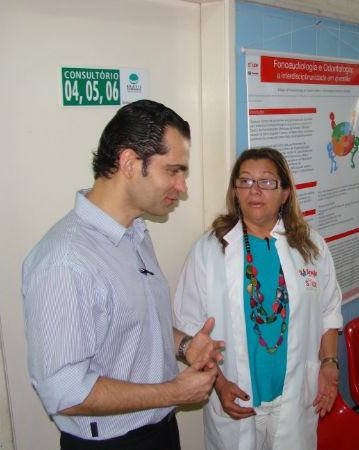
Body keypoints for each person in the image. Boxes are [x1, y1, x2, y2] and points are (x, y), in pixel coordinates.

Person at [22, 99, 223, 450]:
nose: (182, 187)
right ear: (129, 163)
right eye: (173, 171)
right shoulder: (65, 261)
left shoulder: (135, 232)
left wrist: (185, 345)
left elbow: (133, 326)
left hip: (161, 430)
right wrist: (174, 391)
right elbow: (64, 391)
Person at [173, 147, 343, 450]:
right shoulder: (210, 249)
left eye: (266, 182)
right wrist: (218, 384)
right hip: (234, 396)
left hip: (296, 395)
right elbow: (188, 327)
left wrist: (329, 363)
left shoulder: (311, 246)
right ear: (235, 191)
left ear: (285, 193)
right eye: (245, 181)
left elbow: (329, 310)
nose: (254, 190)